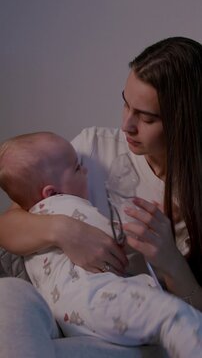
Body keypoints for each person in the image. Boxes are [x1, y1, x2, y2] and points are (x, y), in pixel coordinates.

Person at [0, 36, 202, 356]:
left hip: (131, 332)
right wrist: (66, 231)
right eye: (125, 103)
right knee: (7, 295)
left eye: (147, 118)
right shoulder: (93, 149)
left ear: (185, 121)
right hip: (62, 314)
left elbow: (195, 315)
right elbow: (10, 223)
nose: (126, 125)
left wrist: (170, 261)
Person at [0, 131, 202, 358]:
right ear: (52, 192)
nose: (85, 169)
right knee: (173, 316)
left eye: (147, 118)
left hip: (72, 320)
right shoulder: (67, 203)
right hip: (99, 300)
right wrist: (150, 224)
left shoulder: (40, 209)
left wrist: (170, 256)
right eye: (78, 168)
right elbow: (115, 237)